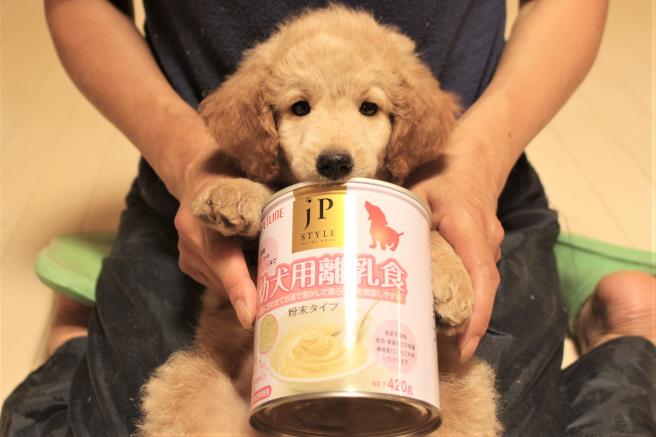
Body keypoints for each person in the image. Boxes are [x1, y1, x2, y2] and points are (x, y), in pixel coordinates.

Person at [2, 0, 654, 435]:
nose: (335, 142)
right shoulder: (240, 131)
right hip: (203, 186)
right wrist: (190, 161)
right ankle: (77, 342)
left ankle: (622, 335)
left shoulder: (429, 130)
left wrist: (478, 162)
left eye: (370, 108)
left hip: (464, 183)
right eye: (299, 107)